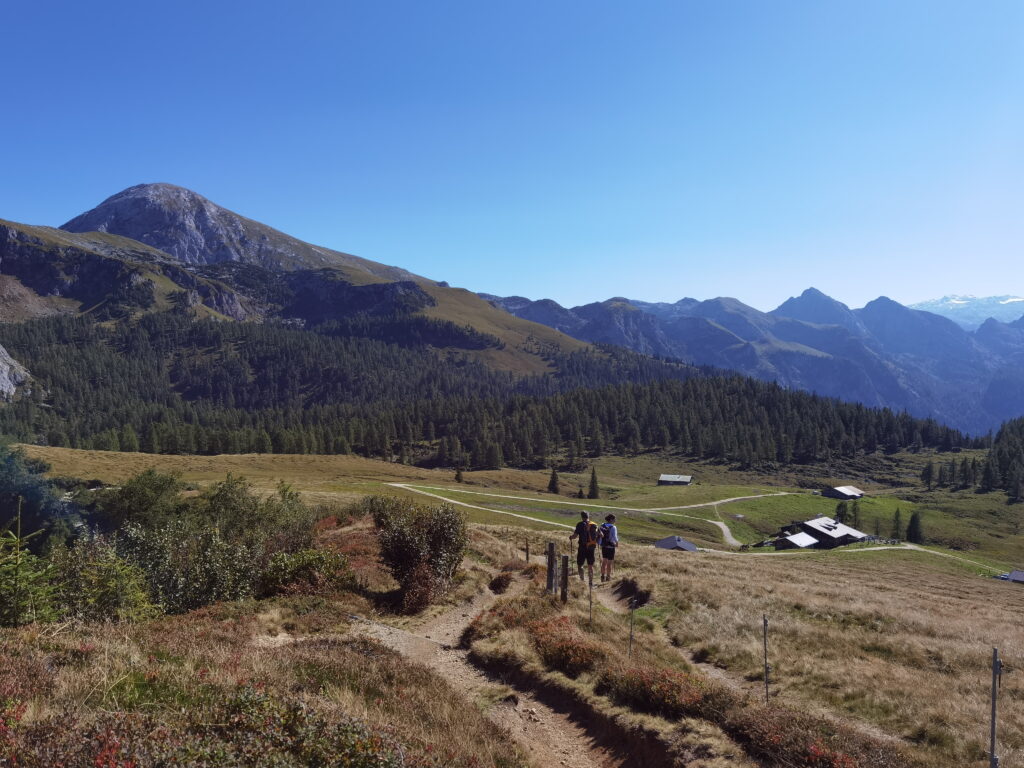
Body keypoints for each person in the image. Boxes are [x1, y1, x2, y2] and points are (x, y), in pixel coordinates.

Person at [569, 510, 599, 583]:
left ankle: (582, 581)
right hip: (591, 547)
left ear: (582, 517)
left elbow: (575, 536)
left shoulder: (580, 524)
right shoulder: (594, 524)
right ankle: (590, 582)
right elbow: (600, 535)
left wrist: (571, 537)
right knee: (590, 566)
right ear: (588, 516)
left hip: (582, 547)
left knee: (580, 565)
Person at [598, 513, 619, 582]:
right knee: (609, 563)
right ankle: (608, 577)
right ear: (611, 519)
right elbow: (615, 537)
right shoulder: (613, 527)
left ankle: (602, 576)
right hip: (611, 546)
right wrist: (617, 543)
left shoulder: (602, 525)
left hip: (604, 546)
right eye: (614, 519)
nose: (615, 520)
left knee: (604, 561)